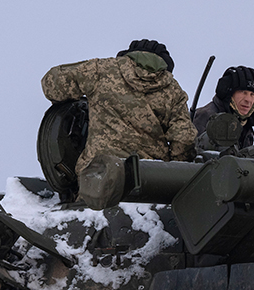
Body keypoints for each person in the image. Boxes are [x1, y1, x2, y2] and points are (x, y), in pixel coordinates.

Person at [41, 38, 197, 208]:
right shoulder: (173, 90)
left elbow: (52, 83)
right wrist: (172, 171)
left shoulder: (102, 70)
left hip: (97, 181)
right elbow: (184, 138)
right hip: (149, 188)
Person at [193, 66, 254, 151]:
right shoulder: (206, 116)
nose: (248, 100)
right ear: (229, 94)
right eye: (243, 92)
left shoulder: (245, 125)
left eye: (252, 94)